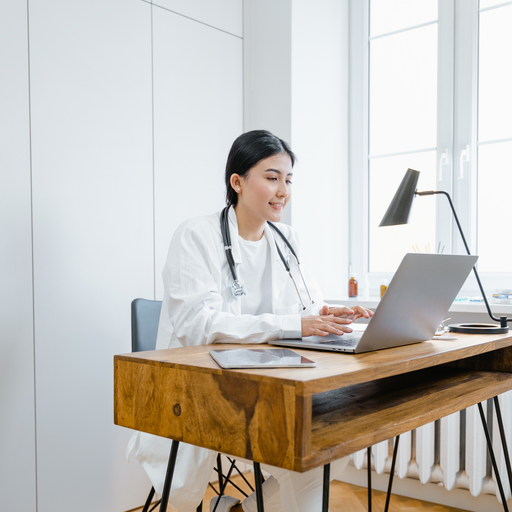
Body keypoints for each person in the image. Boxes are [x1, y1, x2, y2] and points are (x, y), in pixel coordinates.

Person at [130, 130, 373, 512]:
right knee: (316, 447)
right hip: (205, 389)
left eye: (288, 179)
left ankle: (242, 509)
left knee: (341, 433)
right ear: (237, 182)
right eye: (272, 177)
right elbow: (198, 324)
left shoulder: (286, 237)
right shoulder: (197, 235)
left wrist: (326, 314)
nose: (283, 190)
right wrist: (294, 324)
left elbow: (307, 306)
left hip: (271, 383)